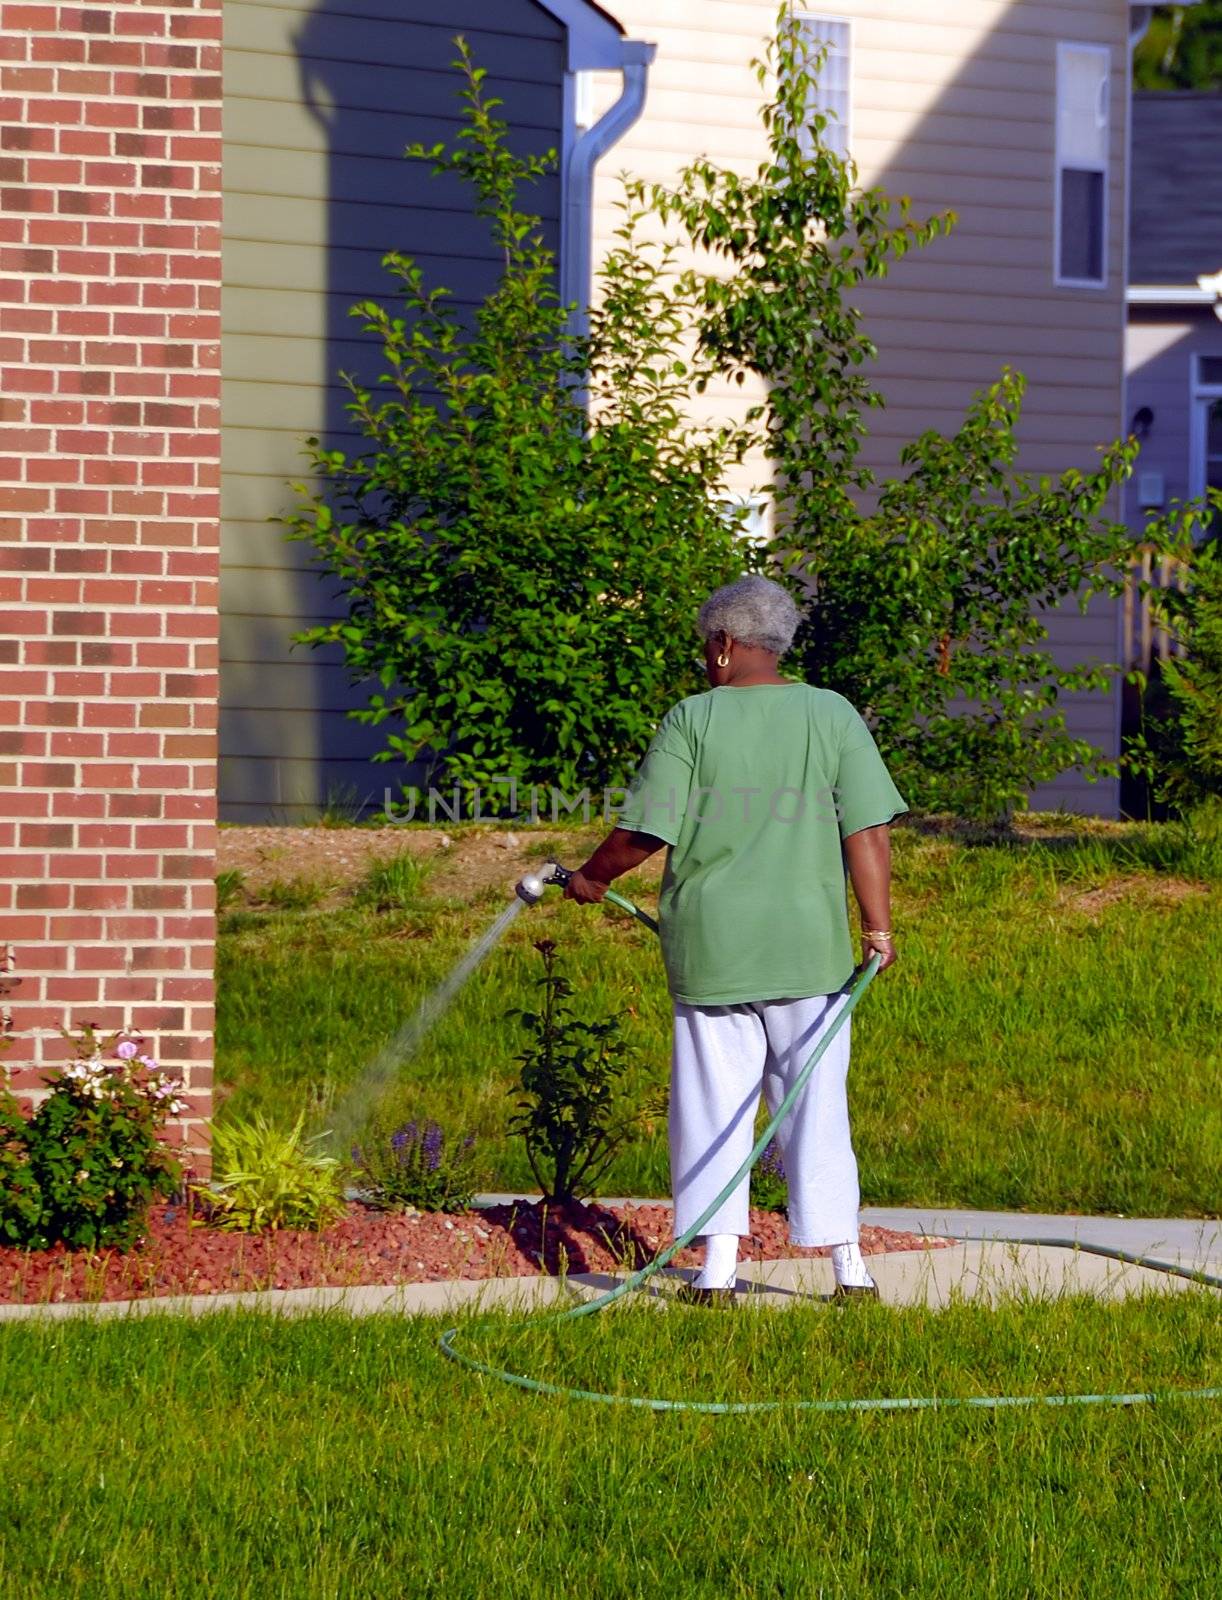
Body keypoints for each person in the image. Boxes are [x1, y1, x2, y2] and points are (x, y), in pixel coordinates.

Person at [565, 574, 906, 1304]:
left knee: (713, 1108)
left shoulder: (693, 719)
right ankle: (850, 1270)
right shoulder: (832, 713)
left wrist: (592, 878)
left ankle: (717, 1273)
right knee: (816, 1105)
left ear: (722, 645)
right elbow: (867, 829)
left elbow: (645, 830)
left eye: (703, 647)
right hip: (807, 951)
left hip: (713, 948)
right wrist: (876, 926)